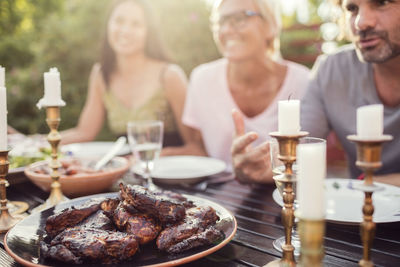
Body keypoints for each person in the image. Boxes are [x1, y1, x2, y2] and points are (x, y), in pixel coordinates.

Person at [233, 0, 400, 186]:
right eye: (352, 9)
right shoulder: (331, 70)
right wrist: (266, 168)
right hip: (357, 209)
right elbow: (300, 152)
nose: (361, 22)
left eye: (382, 2)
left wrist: (368, 185)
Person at [163, 0, 310, 175]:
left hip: (284, 193)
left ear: (271, 25)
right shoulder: (201, 79)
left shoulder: (304, 81)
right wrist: (160, 156)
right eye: (221, 21)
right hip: (218, 195)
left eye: (240, 18)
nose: (226, 30)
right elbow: (200, 150)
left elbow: (314, 157)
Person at [61, 0, 190, 147]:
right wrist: (36, 142)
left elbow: (195, 146)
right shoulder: (101, 74)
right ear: (108, 25)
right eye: (119, 21)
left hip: (167, 166)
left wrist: (149, 159)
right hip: (125, 167)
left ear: (148, 31)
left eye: (136, 24)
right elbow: (84, 132)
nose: (125, 30)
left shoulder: (169, 75)